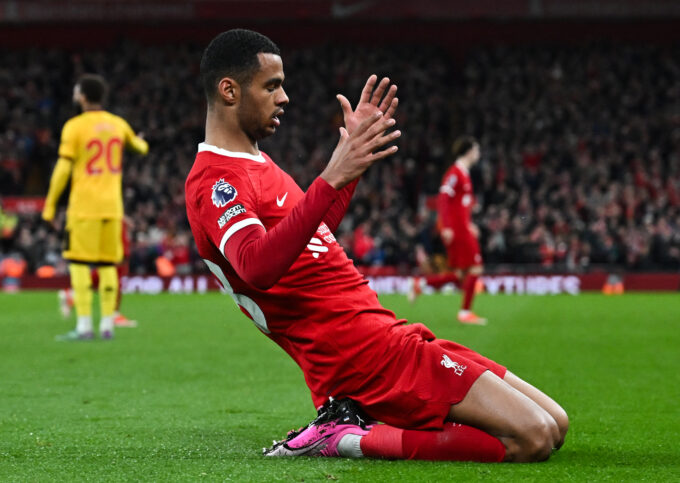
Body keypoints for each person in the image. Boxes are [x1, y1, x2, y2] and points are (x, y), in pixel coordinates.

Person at [185, 29, 567, 463]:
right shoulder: (217, 180)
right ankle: (345, 438)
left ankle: (366, 423)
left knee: (556, 423)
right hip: (359, 357)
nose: (284, 97)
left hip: (383, 334)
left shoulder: (254, 164)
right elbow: (255, 265)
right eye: (272, 85)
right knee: (531, 438)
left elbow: (312, 236)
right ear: (229, 90)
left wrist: (351, 162)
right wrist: (329, 177)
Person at [42, 74, 148, 340]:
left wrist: (50, 205)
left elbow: (63, 168)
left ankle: (84, 326)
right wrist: (140, 140)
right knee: (109, 266)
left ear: (83, 96)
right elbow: (140, 147)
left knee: (78, 264)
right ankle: (108, 326)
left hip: (84, 208)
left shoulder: (74, 126)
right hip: (112, 208)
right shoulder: (118, 124)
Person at [408, 136, 487, 324]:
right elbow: (443, 199)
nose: (478, 153)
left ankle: (422, 284)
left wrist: (470, 224)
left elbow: (460, 206)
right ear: (468, 152)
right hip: (457, 230)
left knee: (460, 274)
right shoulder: (455, 173)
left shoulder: (464, 173)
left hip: (462, 227)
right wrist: (447, 226)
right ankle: (465, 313)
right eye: (476, 150)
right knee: (476, 267)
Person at [58, 217, 138, 328]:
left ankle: (72, 295)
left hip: (112, 218)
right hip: (109, 222)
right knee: (114, 272)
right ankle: (113, 314)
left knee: (114, 273)